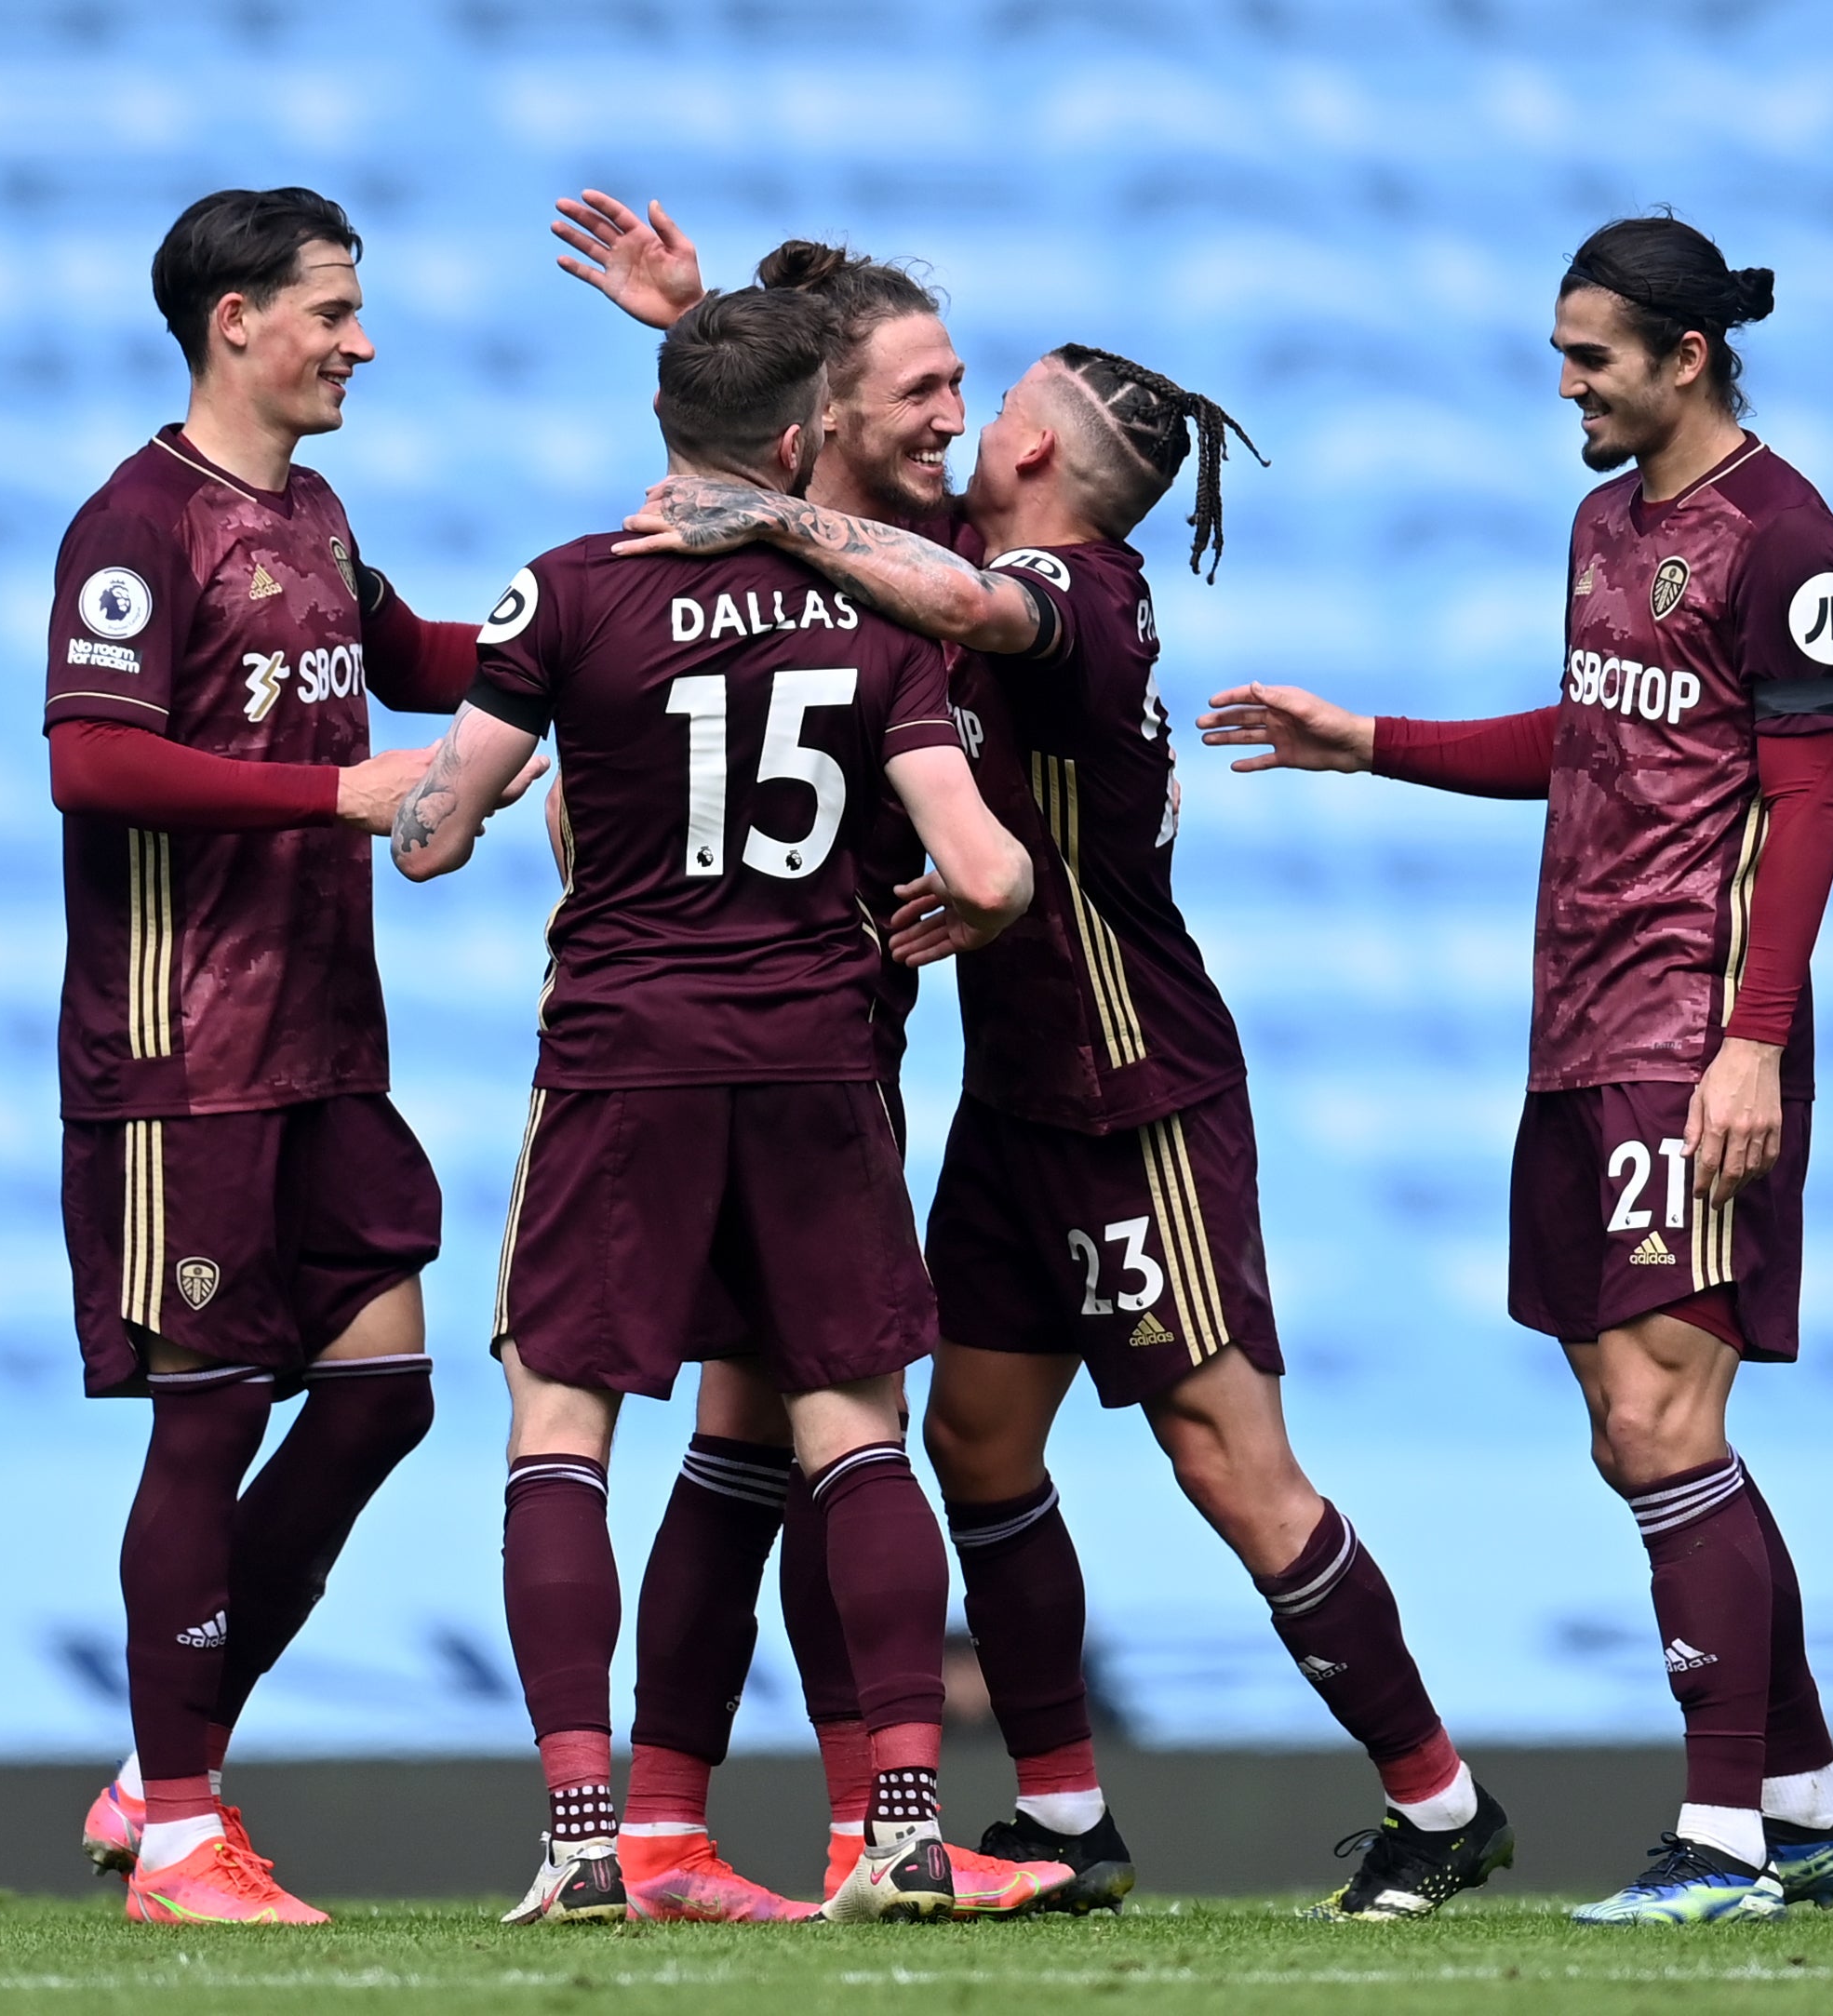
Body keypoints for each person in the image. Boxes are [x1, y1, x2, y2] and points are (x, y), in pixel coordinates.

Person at [622, 340, 1512, 1922]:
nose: (961, 418)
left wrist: (747, 524)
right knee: (971, 1438)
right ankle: (1059, 1810)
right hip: (1019, 1101)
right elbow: (843, 489)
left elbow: (961, 607)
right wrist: (709, 332)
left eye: (991, 400)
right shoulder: (972, 552)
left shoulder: (1076, 593)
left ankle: (1438, 1801)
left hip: (1133, 1093)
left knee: (1231, 1465)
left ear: (1037, 449)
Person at [1192, 215, 1833, 1926]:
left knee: (1664, 1421)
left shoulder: (1787, 542)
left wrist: (1750, 1045)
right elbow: (1591, 742)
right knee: (1628, 1426)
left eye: (1589, 358)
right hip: (1576, 1024)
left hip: (1688, 1038)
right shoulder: (1602, 521)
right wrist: (1373, 741)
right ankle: (1803, 1795)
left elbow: (1804, 809)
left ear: (1683, 359)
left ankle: (1720, 1842)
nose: (1561, 382)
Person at [389, 284, 1052, 1927]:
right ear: (792, 439)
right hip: (821, 1063)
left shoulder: (560, 594)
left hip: (621, 1066)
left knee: (563, 1433)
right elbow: (985, 869)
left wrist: (472, 814)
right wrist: (959, 911)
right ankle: (899, 1825)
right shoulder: (875, 617)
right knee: (852, 1430)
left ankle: (582, 1838)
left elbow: (427, 830)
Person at [45, 187, 526, 1929]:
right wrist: (341, 790)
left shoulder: (311, 511)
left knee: (381, 1398)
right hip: (186, 1059)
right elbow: (91, 764)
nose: (360, 340)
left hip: (322, 1043)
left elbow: (413, 657)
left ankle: (154, 1771)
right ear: (231, 319)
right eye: (331, 309)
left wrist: (586, 637)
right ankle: (181, 1836)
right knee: (204, 1422)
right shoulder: (134, 524)